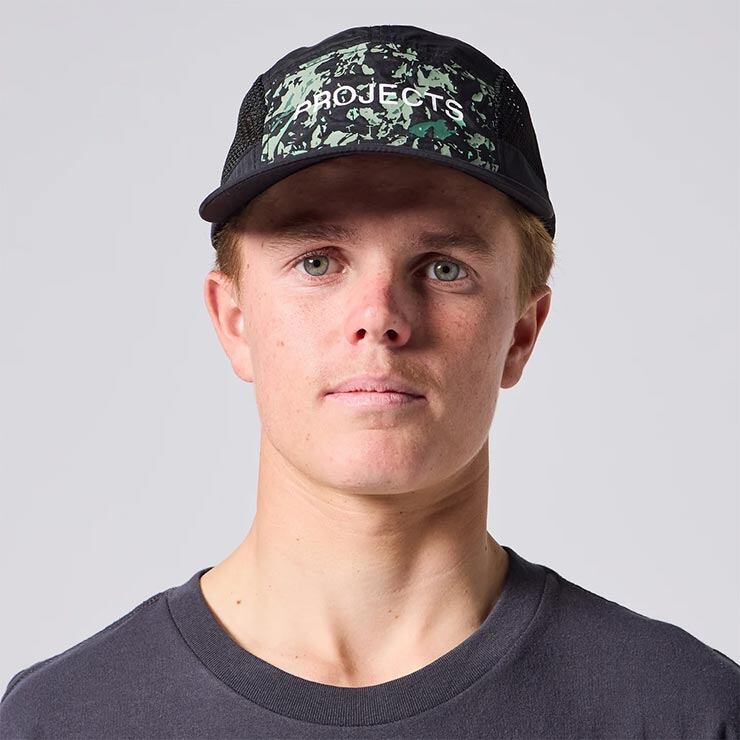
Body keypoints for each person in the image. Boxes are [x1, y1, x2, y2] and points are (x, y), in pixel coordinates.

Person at [1, 23, 737, 740]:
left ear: (521, 333)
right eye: (318, 261)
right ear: (235, 321)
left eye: (444, 268)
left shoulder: (685, 713)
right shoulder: (62, 721)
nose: (380, 318)